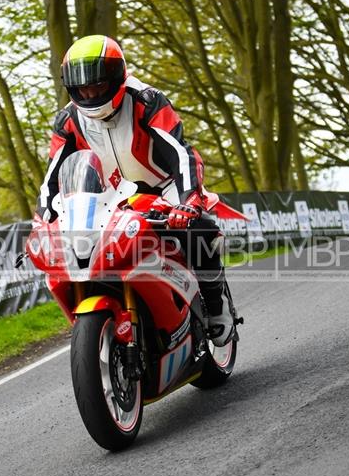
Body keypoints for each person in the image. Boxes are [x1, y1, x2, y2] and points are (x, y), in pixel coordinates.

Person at [35, 34, 234, 347]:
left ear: (116, 77)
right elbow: (52, 177)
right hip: (114, 197)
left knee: (199, 229)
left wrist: (189, 200)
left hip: (165, 187)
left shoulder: (147, 99)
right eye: (82, 88)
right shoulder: (68, 120)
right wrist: (42, 220)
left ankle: (216, 304)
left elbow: (180, 151)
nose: (89, 93)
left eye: (98, 85)